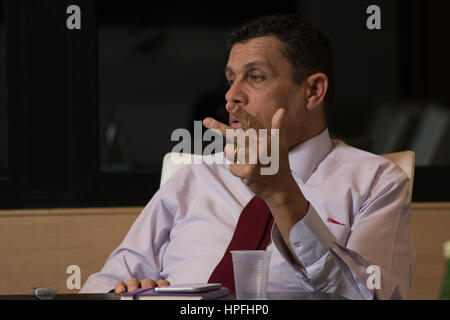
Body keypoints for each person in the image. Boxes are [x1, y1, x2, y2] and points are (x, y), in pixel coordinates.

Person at [80, 14, 415, 299]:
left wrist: (282, 194)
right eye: (230, 79)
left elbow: (371, 294)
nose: (231, 96)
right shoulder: (195, 177)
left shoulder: (377, 181)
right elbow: (103, 285)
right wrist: (131, 291)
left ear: (313, 90)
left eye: (255, 77)